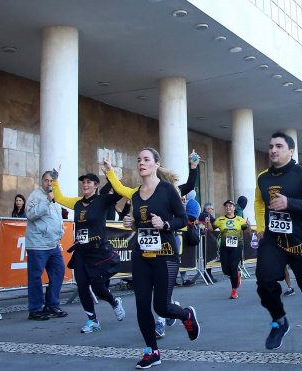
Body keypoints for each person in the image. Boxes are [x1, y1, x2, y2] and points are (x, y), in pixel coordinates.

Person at [105, 149, 200, 369]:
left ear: (156, 164)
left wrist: (165, 225)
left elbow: (183, 220)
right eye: (138, 160)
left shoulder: (167, 190)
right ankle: (152, 351)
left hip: (165, 254)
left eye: (146, 160)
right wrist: (131, 223)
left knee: (162, 307)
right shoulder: (136, 194)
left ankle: (186, 314)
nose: (141, 163)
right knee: (141, 305)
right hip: (142, 255)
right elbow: (139, 223)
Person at [254, 132, 302, 357]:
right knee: (264, 281)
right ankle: (279, 321)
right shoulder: (263, 178)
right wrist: (260, 227)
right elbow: (260, 202)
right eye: (270, 146)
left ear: (291, 151)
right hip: (274, 240)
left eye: (279, 146)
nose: (273, 150)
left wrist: (290, 203)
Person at [50, 172, 125, 333]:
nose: (85, 185)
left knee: (98, 287)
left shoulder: (102, 200)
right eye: (83, 182)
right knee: (82, 287)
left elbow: (120, 193)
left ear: (96, 185)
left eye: (89, 182)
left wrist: (112, 176)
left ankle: (114, 302)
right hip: (81, 251)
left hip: (99, 251)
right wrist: (55, 182)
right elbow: (61, 199)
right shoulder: (77, 203)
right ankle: (92, 320)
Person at [25, 170, 67, 321]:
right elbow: (30, 214)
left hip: (52, 244)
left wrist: (60, 231)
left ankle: (52, 304)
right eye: (46, 180)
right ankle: (35, 309)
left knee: (59, 272)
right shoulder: (35, 196)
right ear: (41, 181)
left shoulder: (54, 195)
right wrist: (47, 200)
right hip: (38, 244)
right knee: (36, 277)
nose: (49, 183)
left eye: (51, 180)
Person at [209, 199, 248, 299]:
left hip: (237, 247)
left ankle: (234, 290)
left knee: (233, 266)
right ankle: (237, 276)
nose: (228, 208)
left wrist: (248, 225)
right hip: (224, 248)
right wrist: (208, 222)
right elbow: (211, 229)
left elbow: (247, 232)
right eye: (226, 206)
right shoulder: (220, 220)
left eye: (230, 206)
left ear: (234, 208)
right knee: (226, 270)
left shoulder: (240, 219)